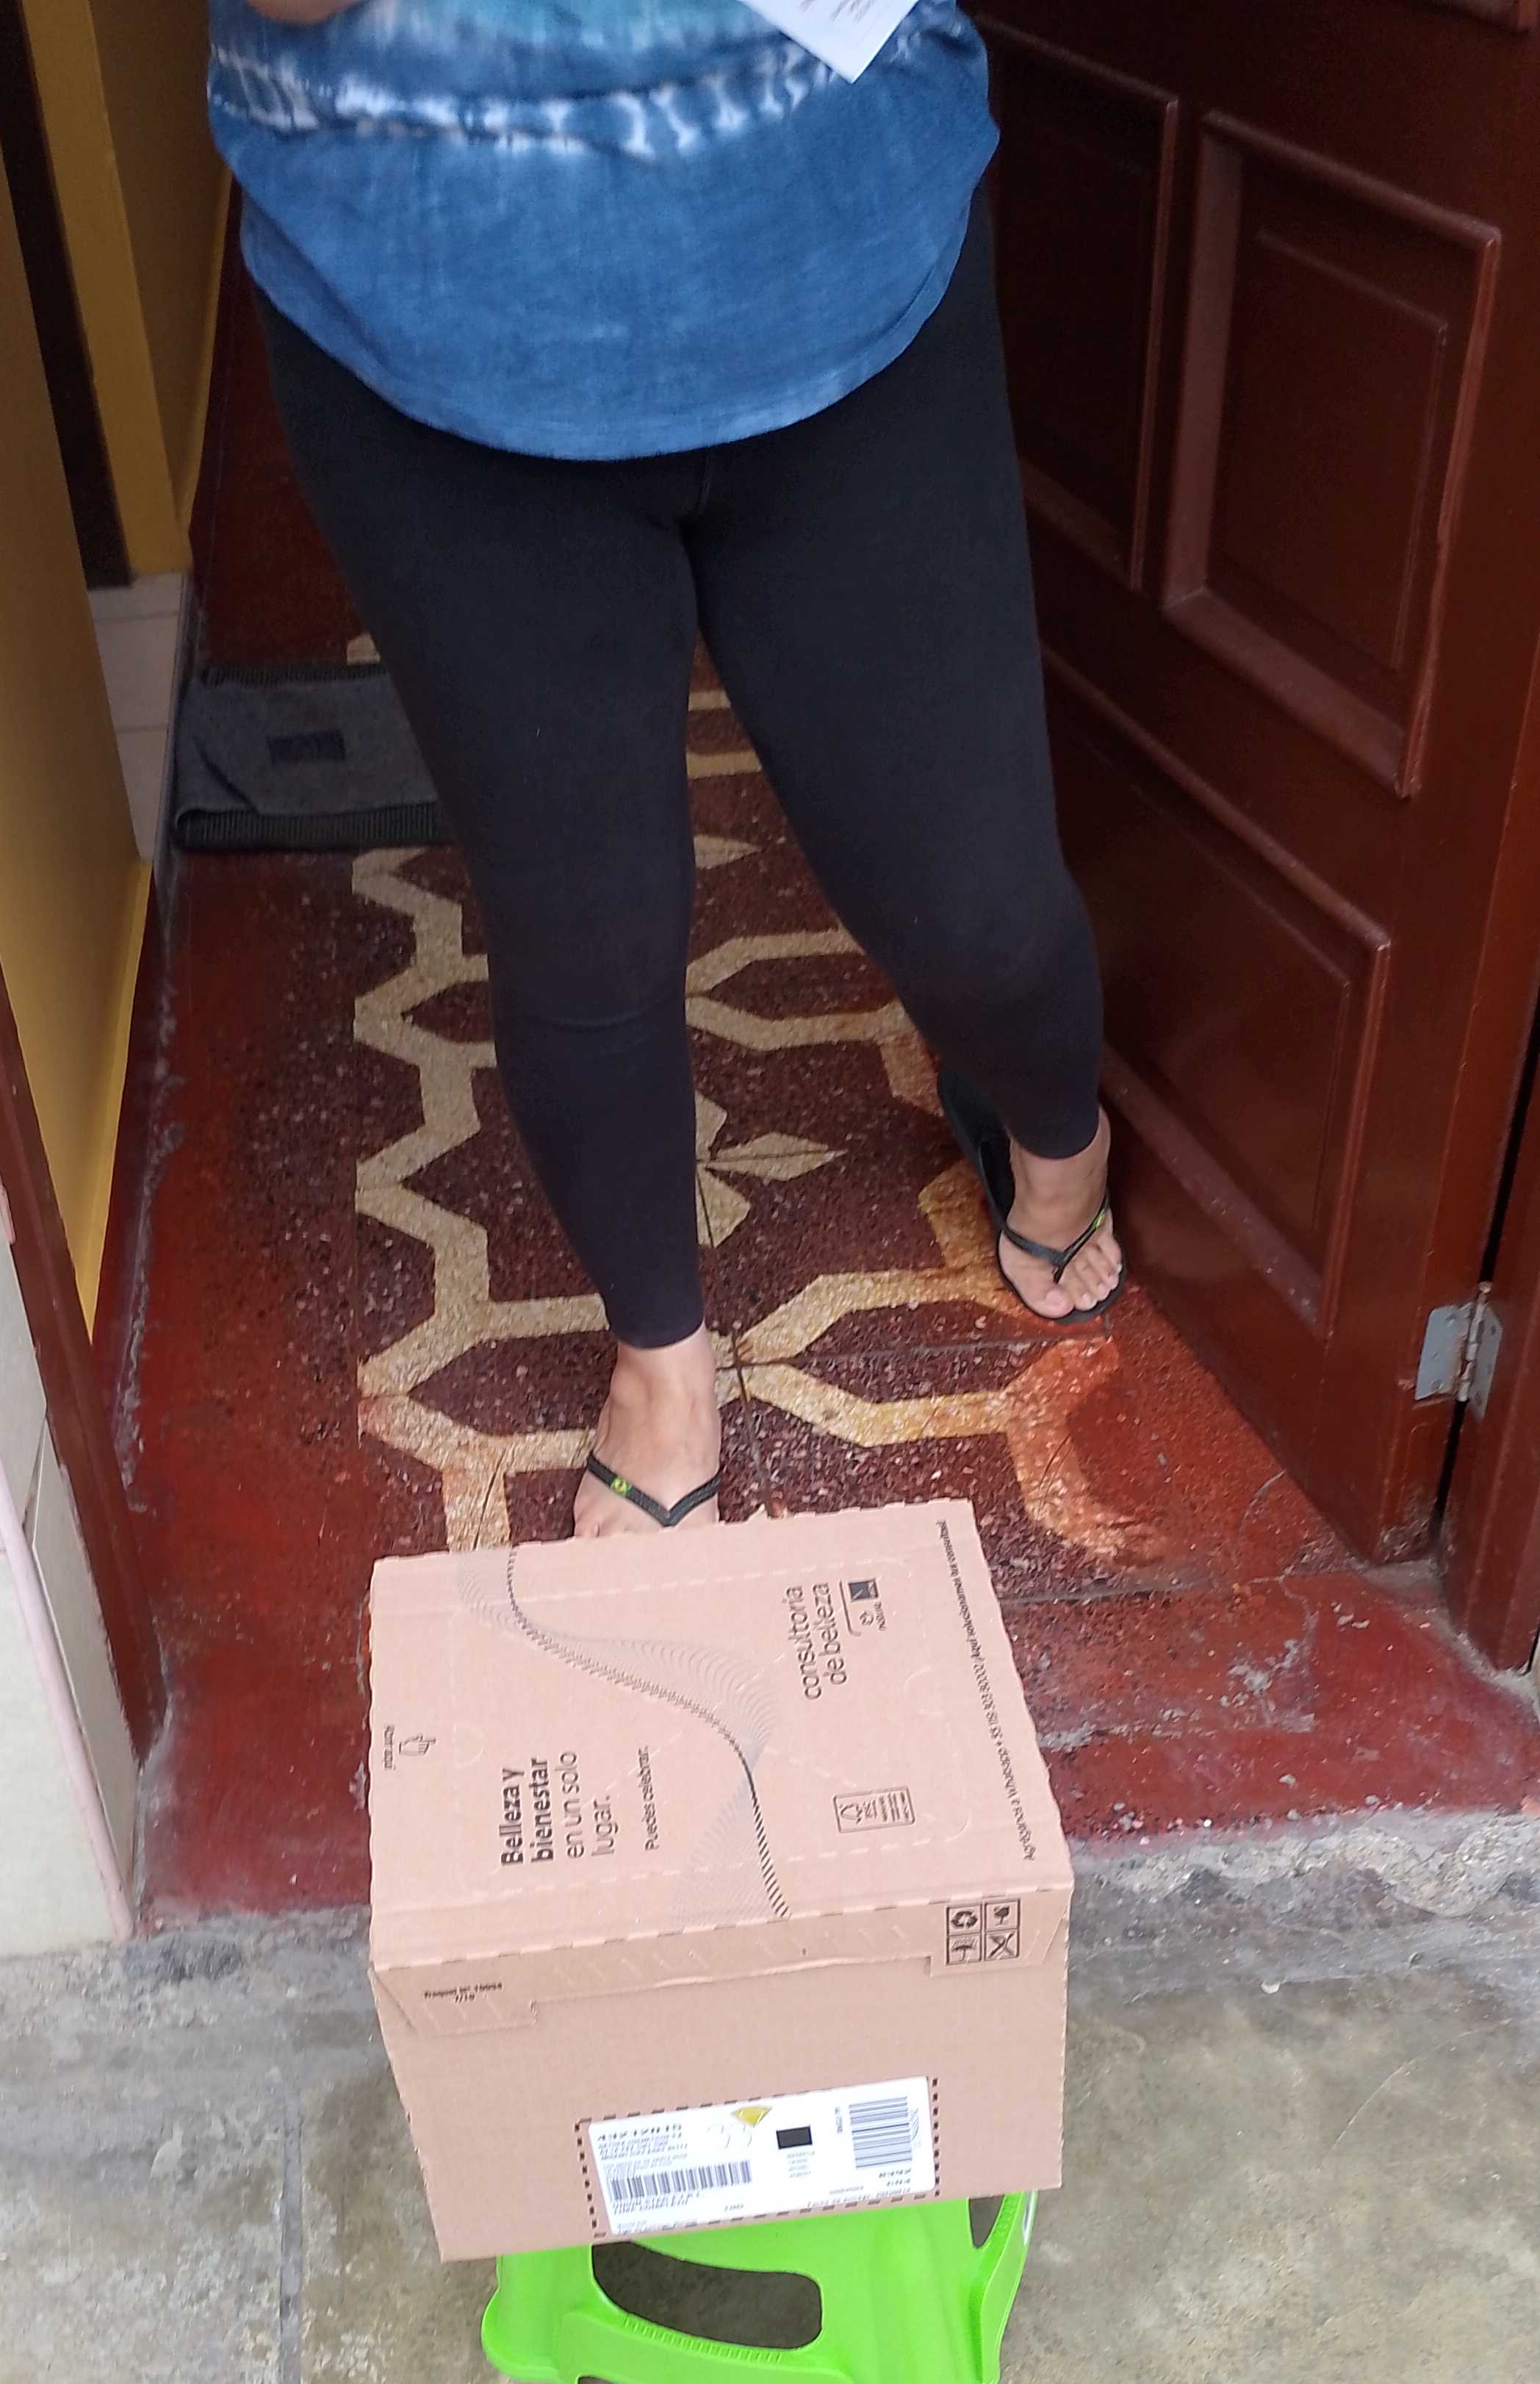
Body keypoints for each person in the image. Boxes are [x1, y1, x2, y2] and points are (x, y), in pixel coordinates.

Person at [209, 0, 1126, 1538]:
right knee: (585, 933)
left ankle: (1056, 1132)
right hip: (431, 320)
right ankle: (659, 1353)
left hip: (844, 254)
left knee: (977, 904)